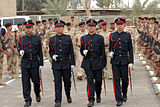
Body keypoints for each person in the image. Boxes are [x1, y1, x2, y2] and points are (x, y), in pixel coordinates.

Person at [49, 20, 76, 107]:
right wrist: (52, 55)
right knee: (57, 83)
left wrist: (73, 64)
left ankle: (68, 94)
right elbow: (50, 51)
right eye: (57, 27)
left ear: (63, 28)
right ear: (55, 29)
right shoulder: (52, 39)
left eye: (60, 27)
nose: (59, 29)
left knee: (67, 82)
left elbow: (71, 52)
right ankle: (58, 100)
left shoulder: (68, 38)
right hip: (56, 64)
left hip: (66, 64)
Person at [80, 19, 106, 107]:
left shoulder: (100, 38)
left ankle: (98, 94)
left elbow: (103, 52)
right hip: (88, 62)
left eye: (93, 26)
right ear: (87, 27)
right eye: (90, 26)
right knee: (90, 81)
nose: (91, 28)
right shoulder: (83, 38)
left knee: (98, 81)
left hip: (97, 62)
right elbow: (81, 50)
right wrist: (83, 52)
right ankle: (91, 99)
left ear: (95, 27)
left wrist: (104, 64)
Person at [109, 18, 134, 106]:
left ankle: (124, 93)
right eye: (118, 24)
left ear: (124, 25)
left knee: (125, 80)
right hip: (115, 60)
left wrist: (131, 61)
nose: (119, 26)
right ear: (116, 25)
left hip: (124, 60)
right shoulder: (112, 35)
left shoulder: (127, 35)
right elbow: (111, 47)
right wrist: (110, 52)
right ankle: (118, 99)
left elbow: (130, 49)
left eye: (121, 24)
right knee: (116, 81)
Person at [18, 21, 43, 107]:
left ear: (32, 29)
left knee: (36, 81)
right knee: (25, 82)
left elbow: (40, 52)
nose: (28, 30)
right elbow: (19, 48)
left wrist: (41, 64)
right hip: (25, 62)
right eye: (27, 28)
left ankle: (37, 93)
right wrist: (20, 51)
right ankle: (27, 99)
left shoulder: (37, 38)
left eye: (30, 28)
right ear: (25, 29)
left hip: (34, 62)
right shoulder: (21, 39)